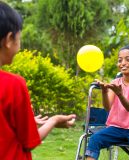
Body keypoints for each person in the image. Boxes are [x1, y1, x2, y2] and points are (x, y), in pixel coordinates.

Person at [0, 1, 76, 160]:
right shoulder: (13, 84)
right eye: (19, 38)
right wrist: (53, 121)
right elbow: (29, 142)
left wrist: (27, 120)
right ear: (9, 39)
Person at [85, 45, 129, 160]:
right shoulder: (115, 82)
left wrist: (119, 94)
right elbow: (108, 108)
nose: (123, 63)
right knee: (95, 139)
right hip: (116, 128)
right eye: (120, 60)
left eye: (128, 59)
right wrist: (104, 91)